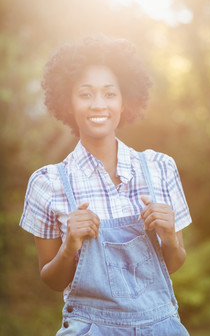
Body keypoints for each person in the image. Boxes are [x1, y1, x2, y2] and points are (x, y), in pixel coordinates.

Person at [20, 34, 192, 335]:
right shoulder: (47, 183)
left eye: (109, 94)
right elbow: (51, 279)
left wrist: (170, 239)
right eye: (85, 94)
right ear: (67, 102)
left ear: (124, 101)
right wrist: (69, 246)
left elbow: (175, 261)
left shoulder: (160, 169)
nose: (98, 104)